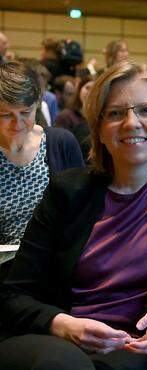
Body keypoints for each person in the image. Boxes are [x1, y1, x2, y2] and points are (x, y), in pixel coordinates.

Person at [0, 61, 147, 370]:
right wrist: (64, 324)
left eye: (146, 110)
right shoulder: (68, 191)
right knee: (64, 368)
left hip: (137, 347)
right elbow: (14, 296)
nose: (131, 123)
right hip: (54, 341)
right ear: (97, 128)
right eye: (115, 114)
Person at [0, 61, 83, 246]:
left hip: (53, 266)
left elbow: (82, 211)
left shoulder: (61, 143)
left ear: (37, 104)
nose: (18, 123)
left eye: (25, 112)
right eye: (6, 115)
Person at [55, 76, 95, 160]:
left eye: (95, 89)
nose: (90, 92)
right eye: (87, 88)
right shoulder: (66, 116)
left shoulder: (101, 116)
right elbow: (60, 146)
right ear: (79, 89)